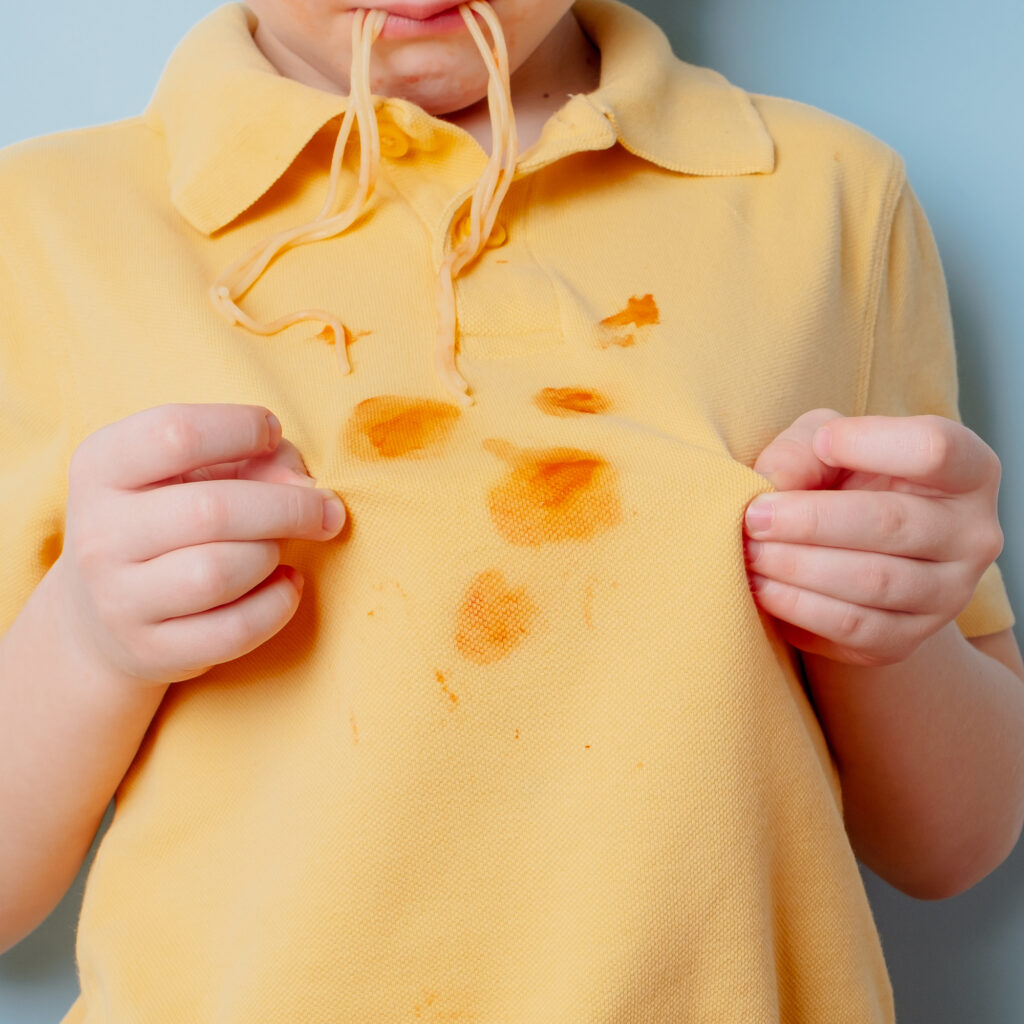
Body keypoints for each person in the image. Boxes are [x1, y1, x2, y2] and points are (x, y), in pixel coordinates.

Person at [1, 0, 1022, 1020]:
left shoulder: (827, 198)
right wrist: (88, 641)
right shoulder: (45, 226)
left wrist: (893, 629)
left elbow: (954, 840)